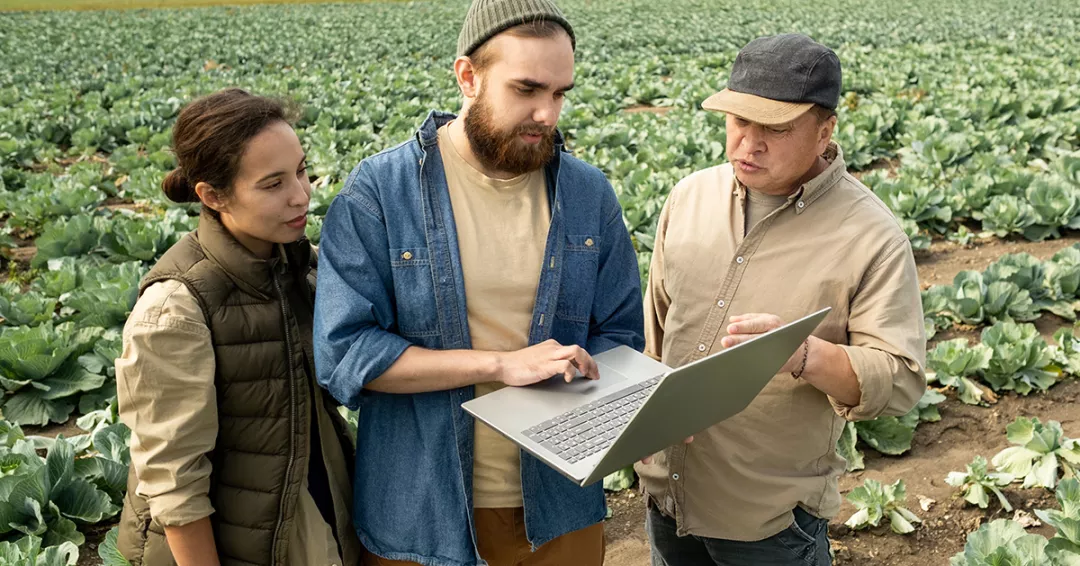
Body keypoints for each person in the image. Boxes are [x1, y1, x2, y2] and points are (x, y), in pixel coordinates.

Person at [313, 1, 645, 565]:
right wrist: (497, 364)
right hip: (422, 513)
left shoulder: (588, 195)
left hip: (560, 505)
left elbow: (620, 339)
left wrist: (641, 405)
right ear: (468, 77)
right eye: (527, 89)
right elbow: (346, 353)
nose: (547, 113)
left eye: (560, 93)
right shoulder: (381, 192)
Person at [634, 34, 928, 566]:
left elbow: (901, 380)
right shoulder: (689, 197)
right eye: (739, 122)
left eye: (775, 128)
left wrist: (803, 355)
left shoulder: (872, 236)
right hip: (664, 497)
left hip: (768, 525)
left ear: (825, 131)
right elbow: (656, 331)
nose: (749, 144)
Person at [114, 88, 361, 566]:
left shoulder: (298, 266)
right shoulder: (175, 310)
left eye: (302, 170)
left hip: (308, 503)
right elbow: (174, 482)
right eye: (272, 184)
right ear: (212, 195)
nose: (301, 194)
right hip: (225, 542)